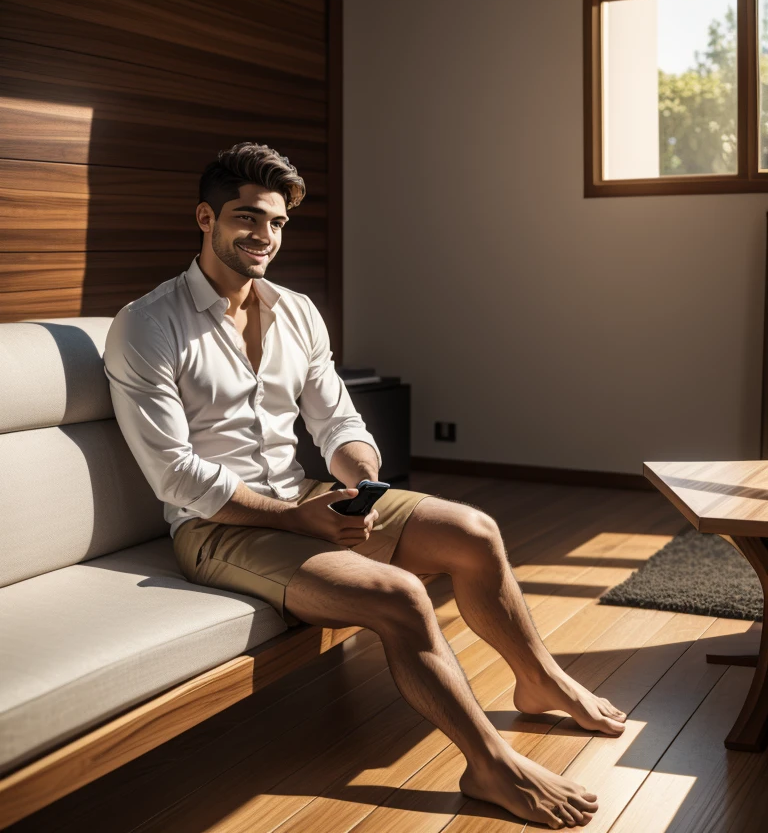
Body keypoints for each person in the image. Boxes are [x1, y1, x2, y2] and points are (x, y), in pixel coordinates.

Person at [104, 142, 625, 830]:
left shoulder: (296, 311)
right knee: (401, 593)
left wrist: (364, 486)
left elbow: (337, 421)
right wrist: (296, 519)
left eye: (278, 223)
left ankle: (540, 681)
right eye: (247, 217)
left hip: (299, 495)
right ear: (205, 217)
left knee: (475, 532)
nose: (265, 236)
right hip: (214, 528)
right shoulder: (147, 324)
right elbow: (174, 472)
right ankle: (490, 766)